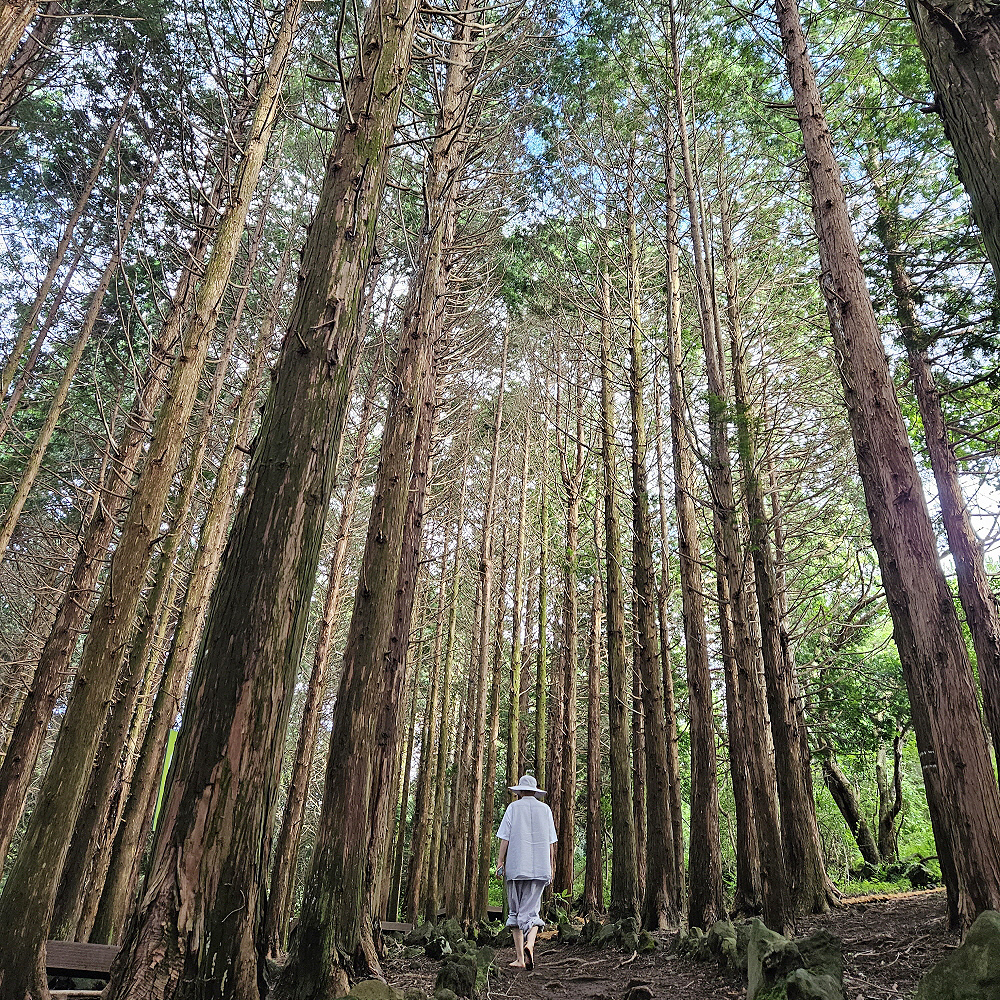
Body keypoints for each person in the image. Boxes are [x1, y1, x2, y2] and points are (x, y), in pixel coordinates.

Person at [495, 774, 557, 970]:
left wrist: (499, 862)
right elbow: (550, 842)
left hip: (516, 868)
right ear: (535, 791)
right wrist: (551, 866)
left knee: (515, 912)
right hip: (540, 868)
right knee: (533, 911)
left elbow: (505, 838)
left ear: (520, 791)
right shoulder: (545, 809)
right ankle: (531, 944)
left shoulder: (513, 808)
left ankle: (520, 958)